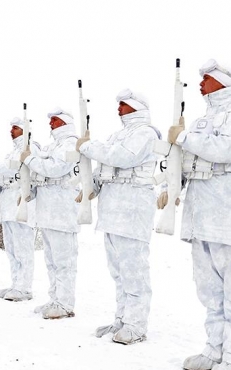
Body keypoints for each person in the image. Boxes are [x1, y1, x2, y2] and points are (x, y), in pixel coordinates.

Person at [164, 60, 231, 370]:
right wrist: (171, 186)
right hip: (202, 210)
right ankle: (215, 348)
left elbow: (229, 148)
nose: (200, 84)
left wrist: (183, 140)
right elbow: (187, 158)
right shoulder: (201, 120)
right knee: (209, 288)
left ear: (221, 82)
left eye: (205, 79)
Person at [77, 90, 160, 345]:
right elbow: (106, 167)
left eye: (123, 104)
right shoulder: (117, 135)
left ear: (135, 107)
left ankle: (136, 324)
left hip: (132, 208)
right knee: (118, 271)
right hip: (112, 209)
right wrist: (92, 187)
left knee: (134, 270)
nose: (119, 108)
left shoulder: (145, 132)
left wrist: (88, 146)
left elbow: (122, 157)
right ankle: (122, 319)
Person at [21, 108, 80, 319]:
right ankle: (55, 298)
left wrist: (30, 160)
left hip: (63, 210)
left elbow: (55, 169)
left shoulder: (70, 143)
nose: (51, 124)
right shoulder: (52, 145)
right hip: (47, 209)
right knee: (52, 260)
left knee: (64, 261)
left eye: (54, 120)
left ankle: (65, 303)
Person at [0, 118, 37, 301]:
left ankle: (25, 288)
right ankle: (16, 284)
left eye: (15, 128)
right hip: (7, 205)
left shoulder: (31, 149)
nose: (11, 131)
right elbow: (2, 177)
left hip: (21, 201)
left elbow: (13, 171)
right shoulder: (11, 152)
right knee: (12, 248)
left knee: (23, 248)